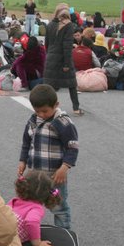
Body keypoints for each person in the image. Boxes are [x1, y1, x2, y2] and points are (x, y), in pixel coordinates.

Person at [17, 84, 79, 229]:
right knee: (29, 204)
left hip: (55, 177)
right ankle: (29, 230)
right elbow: (26, 143)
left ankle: (64, 235)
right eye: (37, 111)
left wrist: (64, 167)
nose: (41, 115)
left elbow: (72, 147)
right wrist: (22, 161)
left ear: (56, 105)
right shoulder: (33, 121)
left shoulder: (62, 123)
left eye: (45, 111)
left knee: (59, 208)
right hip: (34, 176)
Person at [9, 170, 63, 246]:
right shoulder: (37, 209)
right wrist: (38, 244)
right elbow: (31, 221)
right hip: (9, 241)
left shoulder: (15, 200)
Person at [43, 3, 83, 116]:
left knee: (51, 86)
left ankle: (49, 108)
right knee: (71, 84)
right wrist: (66, 64)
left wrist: (49, 55)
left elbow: (46, 44)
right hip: (63, 58)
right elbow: (67, 47)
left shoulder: (50, 24)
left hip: (51, 57)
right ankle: (76, 108)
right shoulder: (69, 26)